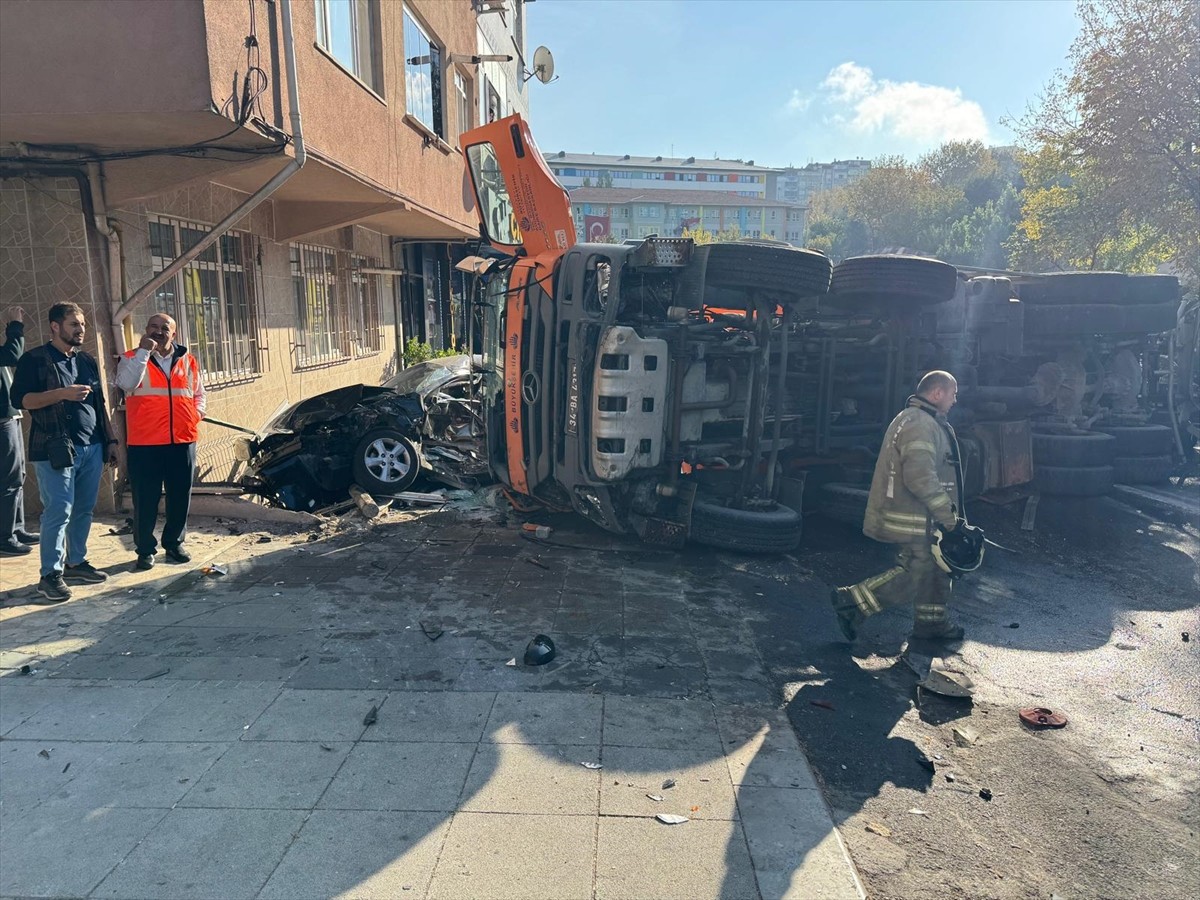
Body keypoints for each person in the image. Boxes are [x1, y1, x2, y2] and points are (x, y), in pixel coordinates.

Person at [830, 370, 965, 645]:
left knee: (938, 569)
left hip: (926, 518)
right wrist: (948, 517)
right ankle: (852, 602)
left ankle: (931, 624)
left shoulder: (921, 420)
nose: (955, 400)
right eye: (953, 394)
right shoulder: (919, 424)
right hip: (915, 518)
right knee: (916, 573)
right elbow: (920, 477)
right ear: (937, 393)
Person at [10, 302, 118, 602]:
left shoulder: (86, 360)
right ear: (55, 326)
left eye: (82, 324)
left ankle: (75, 563)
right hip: (53, 447)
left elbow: (99, 404)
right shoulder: (34, 359)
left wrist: (110, 440)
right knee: (58, 510)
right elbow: (21, 400)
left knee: (83, 508)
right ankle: (50, 575)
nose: (80, 329)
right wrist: (61, 394)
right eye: (74, 324)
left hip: (91, 446)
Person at [115, 312, 205, 570]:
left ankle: (174, 544)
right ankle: (145, 549)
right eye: (153, 326)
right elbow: (127, 383)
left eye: (165, 328)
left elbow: (199, 394)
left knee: (179, 496)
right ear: (145, 330)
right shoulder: (131, 358)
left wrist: (196, 415)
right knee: (145, 499)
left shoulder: (188, 360)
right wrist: (144, 352)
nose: (158, 332)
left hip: (182, 440)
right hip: (145, 443)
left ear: (173, 333)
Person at [1, 306, 39, 556]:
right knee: (9, 478)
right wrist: (15, 325)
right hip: (1, 418)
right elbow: (12, 355)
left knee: (17, 475)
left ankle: (16, 528)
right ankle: (5, 537)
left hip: (8, 414)